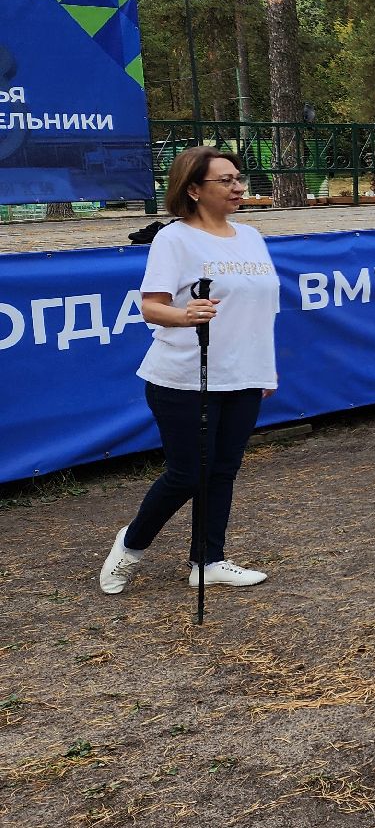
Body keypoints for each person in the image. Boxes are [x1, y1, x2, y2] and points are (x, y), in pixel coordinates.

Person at [99, 147, 279, 594]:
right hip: (182, 375)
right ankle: (130, 546)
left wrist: (265, 372)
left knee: (223, 469)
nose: (238, 187)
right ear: (194, 189)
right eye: (226, 180)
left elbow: (263, 311)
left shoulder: (252, 236)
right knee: (188, 472)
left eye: (238, 178)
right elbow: (151, 307)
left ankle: (208, 559)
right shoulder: (174, 239)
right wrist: (187, 315)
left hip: (243, 375)